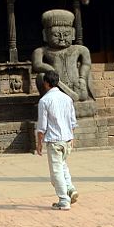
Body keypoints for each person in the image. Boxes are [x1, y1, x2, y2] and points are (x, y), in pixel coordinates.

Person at [35, 70, 79, 211]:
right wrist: (71, 137)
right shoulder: (67, 98)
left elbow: (42, 126)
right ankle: (70, 189)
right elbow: (72, 122)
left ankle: (63, 199)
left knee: (56, 172)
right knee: (63, 165)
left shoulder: (45, 101)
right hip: (67, 139)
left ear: (46, 83)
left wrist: (39, 143)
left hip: (54, 140)